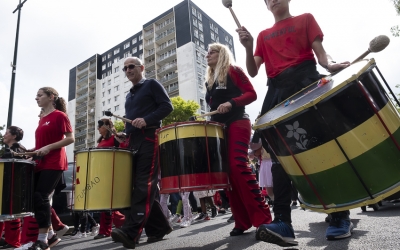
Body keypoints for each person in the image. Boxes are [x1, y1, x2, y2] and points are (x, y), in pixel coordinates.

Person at [236, 0, 351, 246]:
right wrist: (247, 47)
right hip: (277, 94)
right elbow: (254, 71)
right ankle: (283, 223)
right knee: (280, 159)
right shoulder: (262, 35)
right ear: (266, 5)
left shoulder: (306, 18)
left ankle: (340, 215)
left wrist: (331, 65)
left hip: (307, 83)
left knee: (324, 149)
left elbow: (321, 55)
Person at [204, 43, 272, 237]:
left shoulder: (233, 70)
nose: (207, 55)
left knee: (237, 166)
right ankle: (242, 221)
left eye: (212, 52)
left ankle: (264, 217)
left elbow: (252, 94)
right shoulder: (209, 81)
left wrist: (231, 103)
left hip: (238, 122)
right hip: (219, 129)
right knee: (228, 175)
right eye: (207, 53)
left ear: (222, 54)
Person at [111, 57, 173, 249]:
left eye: (131, 66)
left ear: (141, 68)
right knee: (138, 186)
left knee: (143, 184)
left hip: (150, 137)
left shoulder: (152, 84)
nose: (128, 70)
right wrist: (124, 134)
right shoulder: (129, 96)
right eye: (125, 68)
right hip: (133, 140)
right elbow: (133, 121)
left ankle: (132, 232)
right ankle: (159, 227)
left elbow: (167, 106)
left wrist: (146, 120)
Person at [27, 87, 74, 250]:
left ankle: (42, 240)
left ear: (51, 97)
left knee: (41, 196)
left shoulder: (60, 116)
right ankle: (52, 236)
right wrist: (31, 153)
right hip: (40, 162)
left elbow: (70, 138)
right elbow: (42, 145)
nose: (36, 98)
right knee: (34, 198)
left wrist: (48, 147)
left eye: (40, 95)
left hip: (55, 161)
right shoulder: (41, 119)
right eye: (36, 95)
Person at [91, 118, 123, 240]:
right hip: (102, 173)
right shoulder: (101, 140)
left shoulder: (115, 138)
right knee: (106, 203)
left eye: (100, 126)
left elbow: (123, 150)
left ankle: (105, 230)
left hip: (112, 172)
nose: (98, 128)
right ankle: (123, 222)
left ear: (106, 126)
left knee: (107, 203)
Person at [0, 126, 27, 249]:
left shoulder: (14, 151)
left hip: (9, 188)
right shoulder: (21, 149)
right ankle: (12, 240)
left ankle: (13, 241)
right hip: (16, 189)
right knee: (11, 215)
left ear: (14, 136)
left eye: (6, 133)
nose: (4, 135)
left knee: (8, 214)